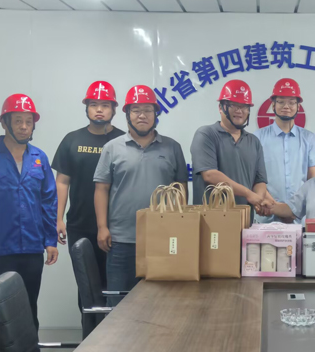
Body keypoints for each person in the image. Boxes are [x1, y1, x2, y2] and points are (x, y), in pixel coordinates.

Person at [0, 94, 58, 352]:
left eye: (28, 121)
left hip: (31, 249)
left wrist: (50, 240)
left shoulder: (39, 158)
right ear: (4, 123)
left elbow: (48, 202)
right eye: (18, 120)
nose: (23, 126)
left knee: (27, 308)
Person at [93, 85, 188, 305]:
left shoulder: (172, 148)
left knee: (161, 304)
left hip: (163, 238)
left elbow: (181, 189)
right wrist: (102, 227)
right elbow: (101, 189)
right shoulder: (112, 148)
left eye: (148, 110)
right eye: (136, 110)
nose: (142, 115)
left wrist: (180, 227)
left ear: (156, 114)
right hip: (121, 240)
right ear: (127, 114)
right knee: (118, 307)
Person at [52, 81, 125, 312]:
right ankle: (89, 333)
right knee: (86, 288)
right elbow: (62, 182)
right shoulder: (72, 140)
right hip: (80, 225)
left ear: (114, 109)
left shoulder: (123, 140)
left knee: (114, 286)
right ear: (86, 108)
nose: (99, 110)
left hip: (116, 227)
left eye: (105, 105)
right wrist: (58, 218)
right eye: (94, 104)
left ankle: (114, 334)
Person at [190, 79, 268, 220]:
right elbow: (210, 175)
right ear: (221, 108)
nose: (239, 111)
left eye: (244, 106)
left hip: (244, 220)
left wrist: (259, 200)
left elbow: (259, 181)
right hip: (210, 221)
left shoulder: (254, 142)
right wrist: (249, 194)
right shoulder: (206, 134)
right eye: (233, 105)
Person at [253, 78, 315, 223]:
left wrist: (294, 209)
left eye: (291, 102)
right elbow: (253, 176)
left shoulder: (309, 138)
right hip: (266, 215)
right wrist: (274, 207)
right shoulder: (257, 138)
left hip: (299, 217)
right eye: (281, 102)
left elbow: (313, 180)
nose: (286, 106)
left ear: (298, 106)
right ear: (273, 105)